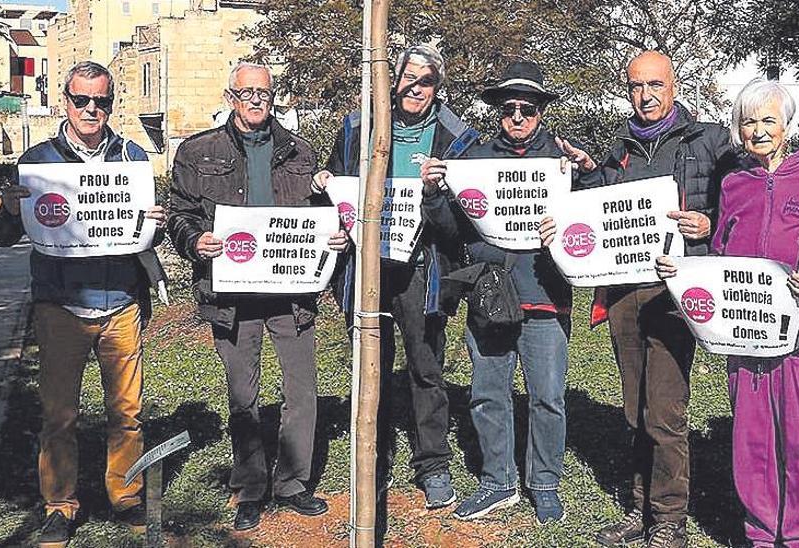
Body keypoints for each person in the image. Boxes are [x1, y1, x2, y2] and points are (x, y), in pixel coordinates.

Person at [540, 50, 738, 548]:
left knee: (665, 409)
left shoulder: (710, 141)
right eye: (635, 86)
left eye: (655, 85)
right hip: (626, 290)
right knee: (634, 407)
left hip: (675, 291)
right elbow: (598, 210)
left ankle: (669, 517)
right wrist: (580, 182)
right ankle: (639, 507)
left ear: (674, 86)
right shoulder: (618, 152)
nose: (645, 96)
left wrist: (709, 225)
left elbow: (738, 204)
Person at [653, 78, 799, 547]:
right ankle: (762, 533)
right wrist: (684, 271)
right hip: (745, 331)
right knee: (753, 438)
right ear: (738, 129)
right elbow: (721, 252)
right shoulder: (734, 183)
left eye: (768, 120)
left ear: (787, 125)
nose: (758, 130)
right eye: (749, 122)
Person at [0, 60, 167, 548]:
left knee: (126, 411)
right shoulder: (38, 159)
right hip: (60, 305)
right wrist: (8, 209)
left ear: (113, 102)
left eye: (102, 101)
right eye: (81, 100)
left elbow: (143, 232)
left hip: (121, 303)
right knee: (59, 415)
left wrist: (157, 220)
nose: (92, 109)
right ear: (64, 101)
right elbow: (2, 237)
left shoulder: (131, 157)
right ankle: (60, 506)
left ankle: (125, 494)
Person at [166, 62, 348, 532]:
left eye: (263, 93)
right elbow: (179, 213)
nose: (255, 100)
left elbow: (325, 215)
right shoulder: (197, 151)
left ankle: (292, 484)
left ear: (274, 97)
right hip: (231, 293)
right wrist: (194, 241)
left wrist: (335, 237)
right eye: (246, 92)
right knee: (242, 394)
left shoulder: (300, 152)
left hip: (290, 294)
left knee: (301, 392)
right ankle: (250, 487)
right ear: (231, 96)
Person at [420, 59, 594, 525]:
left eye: (528, 108)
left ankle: (544, 483)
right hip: (490, 296)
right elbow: (450, 230)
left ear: (541, 111)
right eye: (510, 108)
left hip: (546, 296)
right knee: (488, 393)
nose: (518, 117)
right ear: (498, 110)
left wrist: (589, 173)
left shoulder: (561, 163)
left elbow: (599, 222)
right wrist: (435, 194)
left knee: (547, 398)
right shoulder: (473, 160)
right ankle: (498, 481)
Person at [313, 44, 477, 508]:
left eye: (425, 82)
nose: (414, 89)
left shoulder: (456, 139)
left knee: (426, 368)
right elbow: (335, 191)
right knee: (371, 367)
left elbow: (461, 226)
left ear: (437, 89)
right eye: (406, 80)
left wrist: (435, 195)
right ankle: (375, 458)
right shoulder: (355, 128)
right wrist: (328, 194)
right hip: (367, 269)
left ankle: (433, 464)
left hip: (424, 272)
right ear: (390, 82)